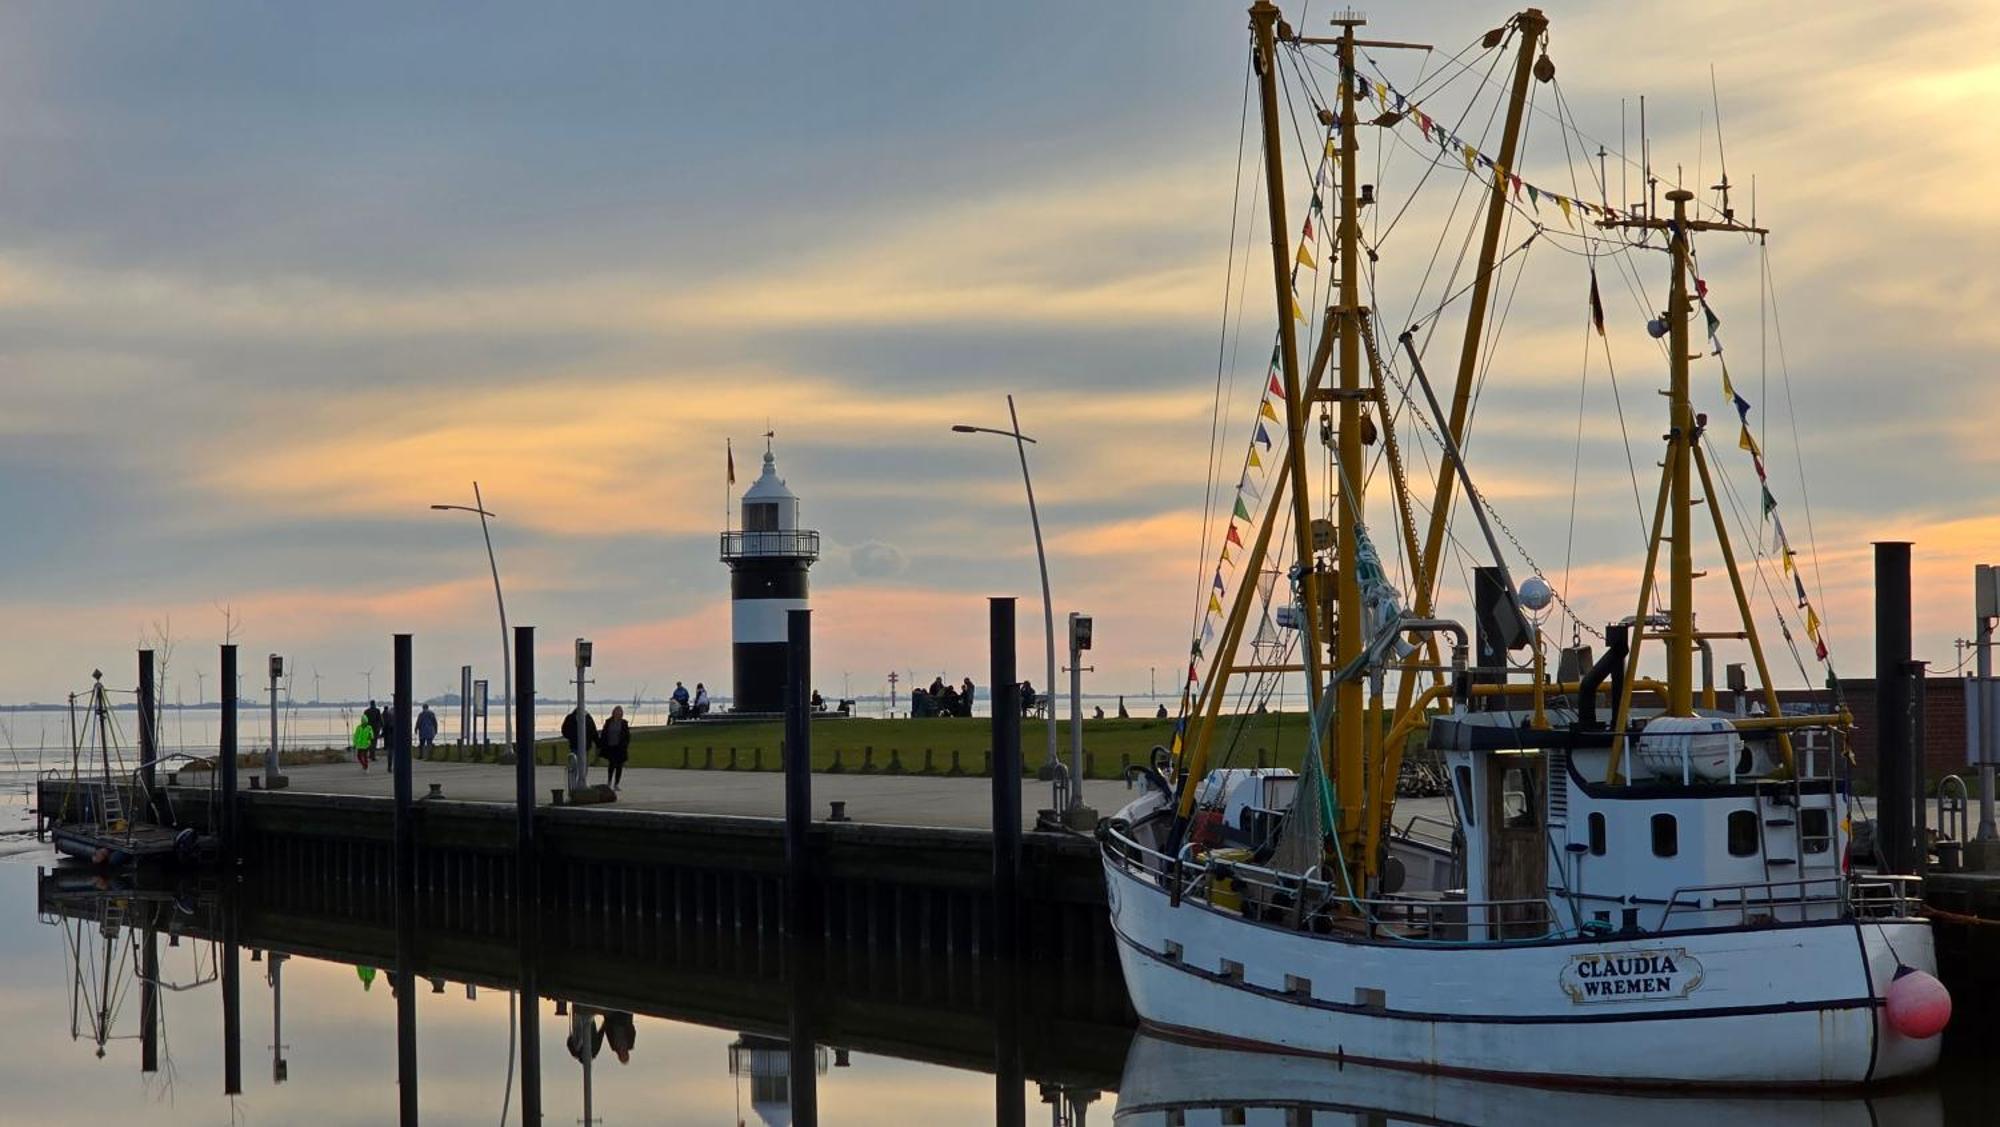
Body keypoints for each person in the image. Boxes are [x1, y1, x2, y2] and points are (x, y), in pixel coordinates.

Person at [561, 706, 598, 784]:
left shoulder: (588, 718)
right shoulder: (570, 718)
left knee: (584, 764)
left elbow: (593, 731)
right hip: (575, 745)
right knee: (574, 764)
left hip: (585, 746)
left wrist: (597, 742)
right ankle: (573, 781)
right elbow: (564, 730)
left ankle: (582, 780)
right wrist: (572, 737)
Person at [600, 705, 631, 791]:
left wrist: (625, 744)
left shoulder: (624, 723)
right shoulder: (608, 722)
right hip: (611, 747)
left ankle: (616, 784)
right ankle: (609, 781)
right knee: (611, 765)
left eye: (620, 712)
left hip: (620, 747)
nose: (618, 714)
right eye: (617, 712)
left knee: (619, 766)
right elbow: (604, 733)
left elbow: (627, 736)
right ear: (613, 713)